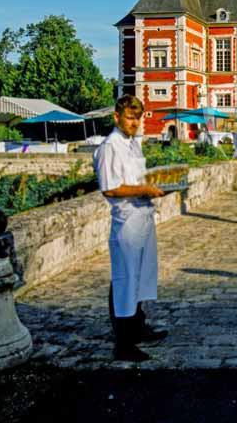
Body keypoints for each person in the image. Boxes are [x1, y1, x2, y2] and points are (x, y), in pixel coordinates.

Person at [94, 95, 168, 362]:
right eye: (129, 117)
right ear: (116, 117)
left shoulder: (132, 145)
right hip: (126, 220)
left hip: (142, 217)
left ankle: (138, 327)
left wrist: (153, 183)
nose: (134, 123)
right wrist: (144, 189)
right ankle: (123, 341)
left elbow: (134, 178)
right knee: (125, 279)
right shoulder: (109, 147)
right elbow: (111, 186)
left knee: (140, 276)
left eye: (137, 118)